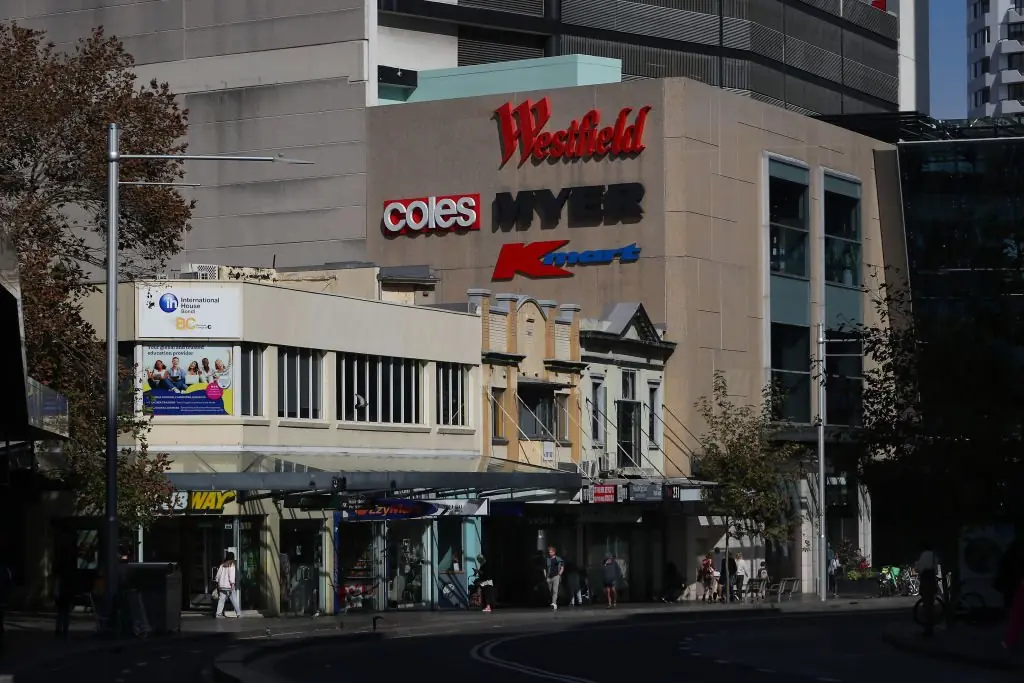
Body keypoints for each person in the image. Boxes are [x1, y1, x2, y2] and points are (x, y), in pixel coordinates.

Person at [915, 543, 940, 636]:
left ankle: (928, 630)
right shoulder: (934, 555)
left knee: (927, 606)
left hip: (925, 582)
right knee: (931, 604)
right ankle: (931, 627)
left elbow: (919, 569)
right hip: (932, 581)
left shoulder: (924, 555)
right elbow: (936, 570)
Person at [214, 552, 242, 618]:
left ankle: (218, 614)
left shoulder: (222, 565)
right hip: (229, 586)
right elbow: (231, 575)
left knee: (221, 600)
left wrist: (217, 582)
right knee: (234, 599)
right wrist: (232, 584)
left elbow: (218, 576)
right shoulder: (231, 565)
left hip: (222, 586)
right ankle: (238, 613)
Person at [53, 559, 74, 639]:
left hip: (62, 597)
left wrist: (55, 596)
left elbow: (56, 588)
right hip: (65, 597)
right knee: (65, 614)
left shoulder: (59, 578)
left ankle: (60, 630)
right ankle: (64, 630)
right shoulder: (67, 578)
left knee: (61, 614)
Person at [545, 547, 563, 611]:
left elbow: (562, 567)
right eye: (549, 552)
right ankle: (551, 601)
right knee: (549, 590)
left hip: (556, 576)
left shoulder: (558, 559)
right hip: (549, 577)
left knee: (555, 590)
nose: (550, 553)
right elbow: (545, 568)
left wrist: (559, 574)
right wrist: (545, 576)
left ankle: (554, 603)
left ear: (554, 552)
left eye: (551, 552)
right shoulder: (547, 559)